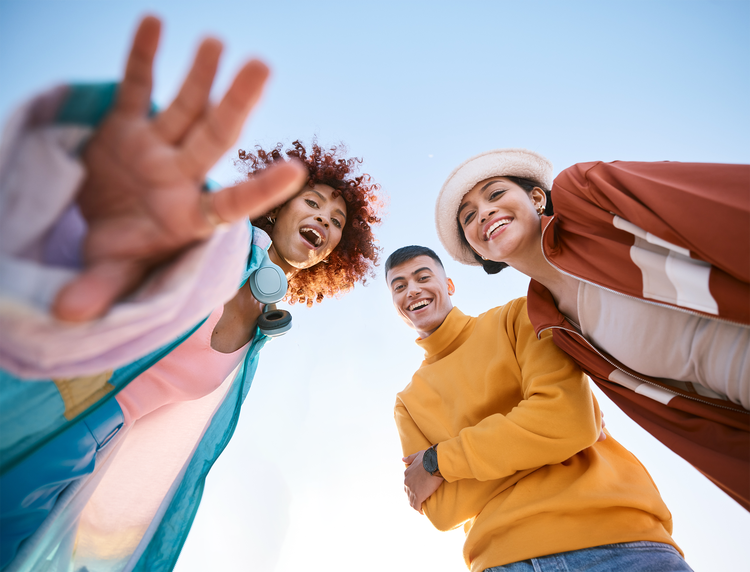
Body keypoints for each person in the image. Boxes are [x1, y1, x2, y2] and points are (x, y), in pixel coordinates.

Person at [0, 16, 383, 572]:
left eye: (336, 223)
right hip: (59, 402)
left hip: (97, 457)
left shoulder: (265, 332)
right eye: (313, 203)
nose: (323, 220)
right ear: (279, 206)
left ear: (331, 257)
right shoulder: (217, 240)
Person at [433, 148, 750, 510]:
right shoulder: (554, 328)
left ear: (537, 197)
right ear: (480, 253)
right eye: (469, 216)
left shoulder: (586, 195)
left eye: (495, 194)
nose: (484, 212)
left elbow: (714, 201)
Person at [386, 245, 692, 572]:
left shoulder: (517, 316)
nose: (413, 290)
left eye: (422, 277)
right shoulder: (408, 402)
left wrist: (438, 461)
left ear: (449, 285)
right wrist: (540, 439)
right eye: (400, 286)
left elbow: (567, 421)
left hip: (618, 539)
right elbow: (442, 510)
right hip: (503, 560)